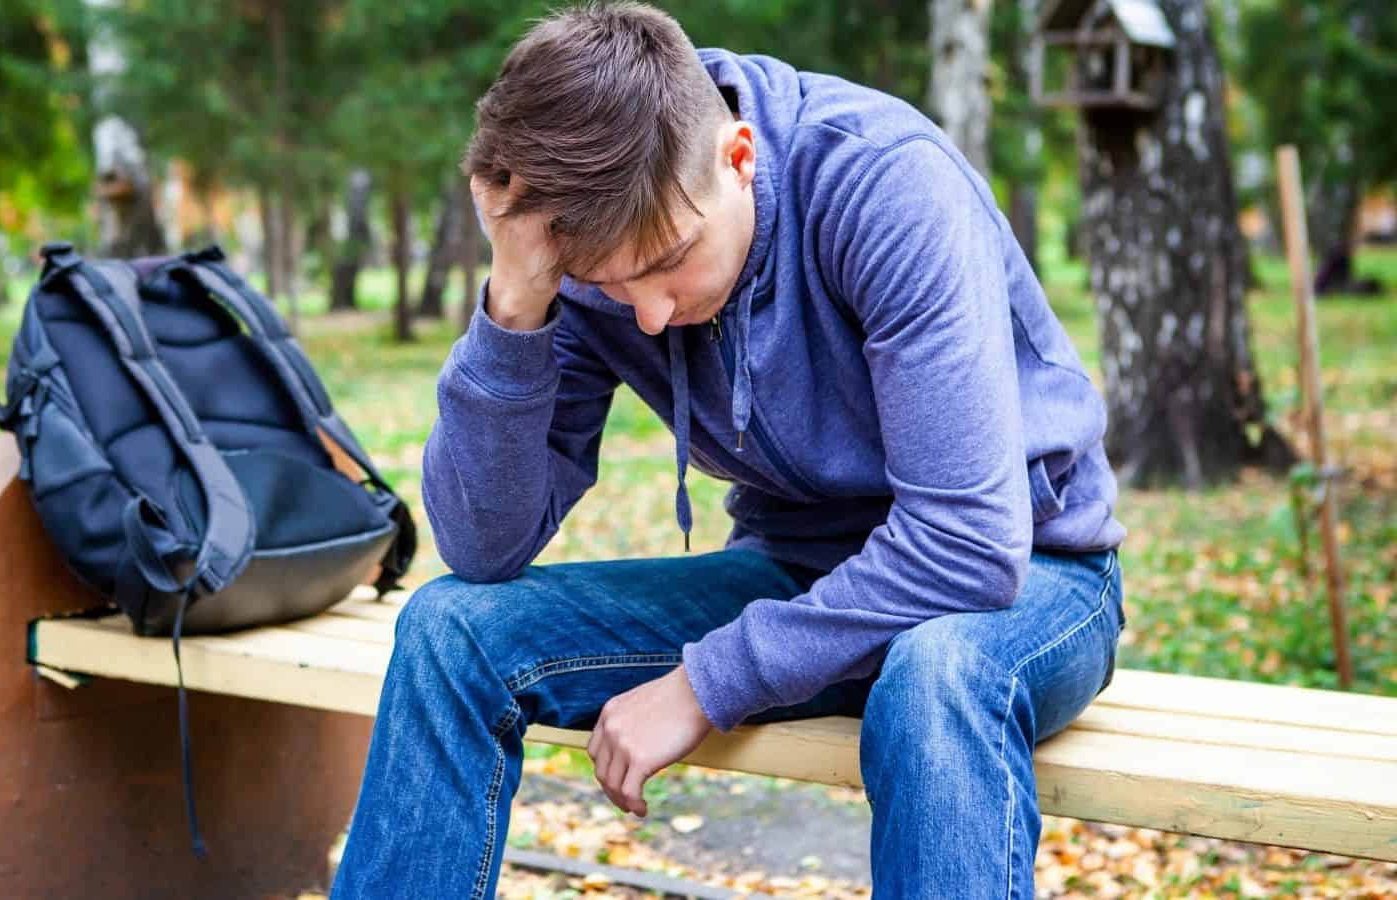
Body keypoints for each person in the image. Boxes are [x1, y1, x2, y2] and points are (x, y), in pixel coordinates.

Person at [330, 4, 1125, 897]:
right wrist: (516, 303)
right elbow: (483, 547)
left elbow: (969, 545)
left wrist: (705, 683)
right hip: (797, 573)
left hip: (1034, 574)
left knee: (933, 675)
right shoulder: (596, 252)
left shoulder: (885, 184)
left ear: (739, 156)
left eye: (670, 260)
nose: (650, 315)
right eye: (609, 284)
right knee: (450, 631)